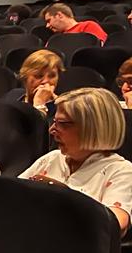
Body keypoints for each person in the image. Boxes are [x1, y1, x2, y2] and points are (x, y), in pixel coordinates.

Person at [20, 88, 132, 233]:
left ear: (94, 128)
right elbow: (10, 197)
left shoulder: (121, 171)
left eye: (63, 123)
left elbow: (114, 223)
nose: (52, 130)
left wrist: (65, 196)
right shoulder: (52, 158)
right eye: (54, 122)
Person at [5, 49, 64, 118]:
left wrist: (40, 104)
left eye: (52, 76)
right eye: (39, 76)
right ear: (25, 77)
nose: (45, 81)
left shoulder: (63, 107)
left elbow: (38, 128)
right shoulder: (13, 96)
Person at [43, 2, 107, 43]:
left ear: (60, 15)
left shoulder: (88, 26)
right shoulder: (55, 38)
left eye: (49, 21)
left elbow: (100, 47)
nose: (47, 26)